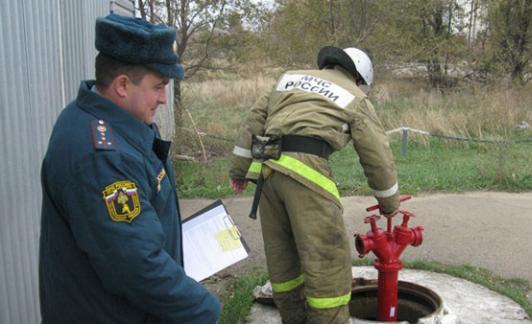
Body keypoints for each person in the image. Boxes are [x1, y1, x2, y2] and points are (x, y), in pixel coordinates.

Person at [39, 14, 220, 323]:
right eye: (158, 87)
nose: (163, 99)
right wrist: (204, 309)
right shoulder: (101, 155)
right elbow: (134, 265)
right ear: (123, 85)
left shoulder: (110, 122)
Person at [229, 46, 400, 323]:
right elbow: (377, 154)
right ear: (360, 79)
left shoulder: (288, 78)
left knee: (283, 261)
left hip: (268, 175)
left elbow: (253, 122)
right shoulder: (355, 97)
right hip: (308, 175)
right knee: (327, 264)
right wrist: (389, 204)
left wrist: (239, 171)